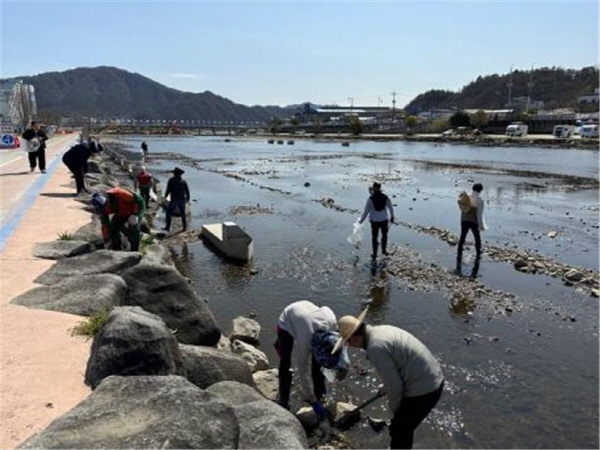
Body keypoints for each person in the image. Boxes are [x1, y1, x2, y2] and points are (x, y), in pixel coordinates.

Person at [332, 309, 444, 449]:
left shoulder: (375, 347)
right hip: (432, 374)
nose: (349, 346)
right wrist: (386, 387)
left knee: (399, 430)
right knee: (402, 427)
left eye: (347, 342)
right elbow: (399, 363)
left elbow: (395, 387)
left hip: (425, 388)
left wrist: (396, 411)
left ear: (355, 336)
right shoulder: (380, 330)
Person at [274, 300, 341, 415]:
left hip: (306, 313)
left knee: (318, 366)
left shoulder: (332, 323)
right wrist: (311, 400)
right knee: (285, 363)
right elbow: (302, 369)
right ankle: (284, 400)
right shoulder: (305, 341)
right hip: (288, 321)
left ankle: (321, 394)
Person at [91, 187, 146, 252]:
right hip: (120, 212)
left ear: (107, 201)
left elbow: (138, 200)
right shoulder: (102, 211)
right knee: (113, 229)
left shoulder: (120, 193)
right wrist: (106, 240)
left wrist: (135, 214)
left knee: (133, 226)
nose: (105, 210)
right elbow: (105, 225)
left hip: (135, 208)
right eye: (102, 210)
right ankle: (117, 249)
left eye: (105, 207)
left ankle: (134, 250)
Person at [359, 181, 395, 260]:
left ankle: (375, 254)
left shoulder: (370, 199)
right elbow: (391, 208)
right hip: (384, 220)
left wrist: (360, 222)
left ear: (373, 188)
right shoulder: (386, 197)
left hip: (374, 221)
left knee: (374, 237)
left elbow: (366, 212)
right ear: (380, 188)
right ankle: (384, 251)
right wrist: (392, 217)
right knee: (384, 235)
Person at [456, 182, 487, 273]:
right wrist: (481, 226)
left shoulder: (466, 197)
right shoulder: (480, 200)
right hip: (473, 221)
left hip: (464, 220)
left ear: (472, 188)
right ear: (480, 190)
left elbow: (462, 207)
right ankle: (478, 255)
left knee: (462, 238)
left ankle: (459, 256)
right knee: (477, 238)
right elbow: (479, 215)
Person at [163, 166, 190, 232]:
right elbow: (187, 191)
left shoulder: (171, 180)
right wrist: (188, 199)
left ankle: (167, 227)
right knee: (183, 213)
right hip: (182, 199)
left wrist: (165, 197)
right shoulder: (183, 181)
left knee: (168, 213)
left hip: (174, 199)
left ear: (175, 173)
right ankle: (184, 227)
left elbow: (168, 190)